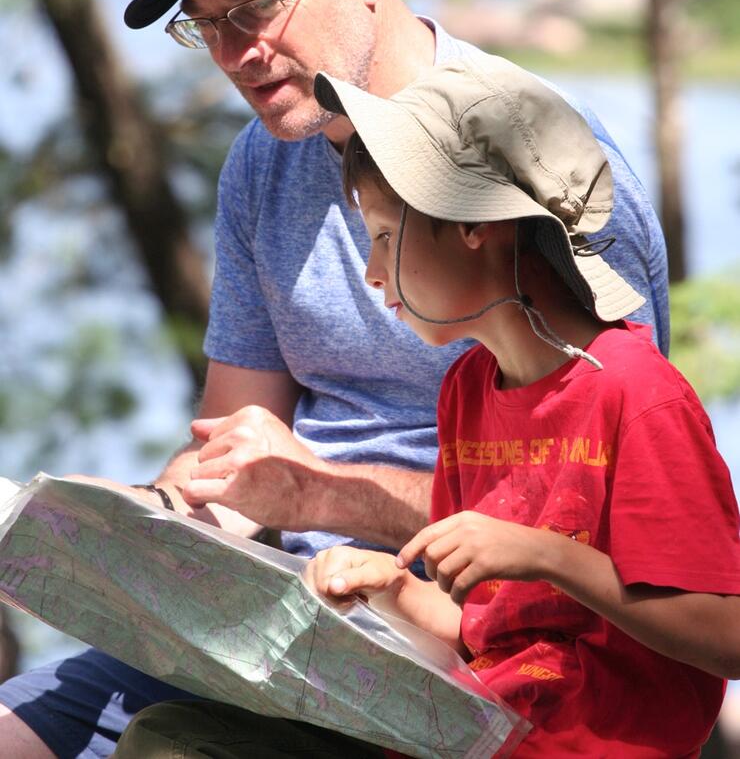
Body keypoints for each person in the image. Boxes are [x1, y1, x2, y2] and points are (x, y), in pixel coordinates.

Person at [0, 0, 669, 758]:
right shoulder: (261, 164)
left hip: (465, 643)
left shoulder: (535, 166)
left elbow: (593, 542)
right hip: (278, 616)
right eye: (208, 22)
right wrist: (110, 533)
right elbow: (232, 467)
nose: (235, 51)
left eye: (259, 6)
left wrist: (327, 494)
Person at [114, 55, 740, 758]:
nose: (373, 271)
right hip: (465, 730)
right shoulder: (468, 390)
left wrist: (549, 556)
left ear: (476, 223)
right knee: (166, 737)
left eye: (384, 236)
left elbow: (727, 635)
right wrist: (391, 590)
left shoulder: (634, 391)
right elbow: (482, 629)